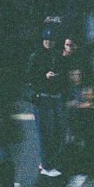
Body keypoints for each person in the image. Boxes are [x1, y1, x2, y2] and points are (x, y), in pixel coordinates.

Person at [28, 33, 68, 177]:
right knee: (46, 133)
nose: (49, 43)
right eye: (46, 40)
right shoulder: (36, 57)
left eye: (51, 40)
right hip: (44, 97)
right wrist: (44, 76)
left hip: (55, 97)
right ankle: (46, 165)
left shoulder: (57, 55)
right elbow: (30, 77)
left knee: (57, 131)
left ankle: (50, 162)